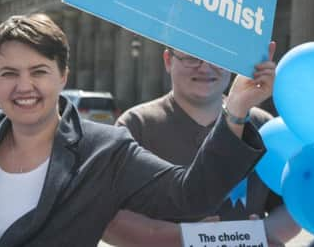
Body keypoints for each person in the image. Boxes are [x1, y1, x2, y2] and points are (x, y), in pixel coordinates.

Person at [0, 3, 275, 247]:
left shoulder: (105, 151)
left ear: (63, 75)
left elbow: (190, 195)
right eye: (8, 73)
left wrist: (234, 110)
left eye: (39, 71)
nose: (24, 87)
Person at [103, 47, 301, 247]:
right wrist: (184, 237)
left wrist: (257, 235)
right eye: (191, 57)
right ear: (168, 60)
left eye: (218, 57)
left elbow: (292, 207)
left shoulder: (263, 126)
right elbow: (107, 217)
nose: (205, 68)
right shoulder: (136, 126)